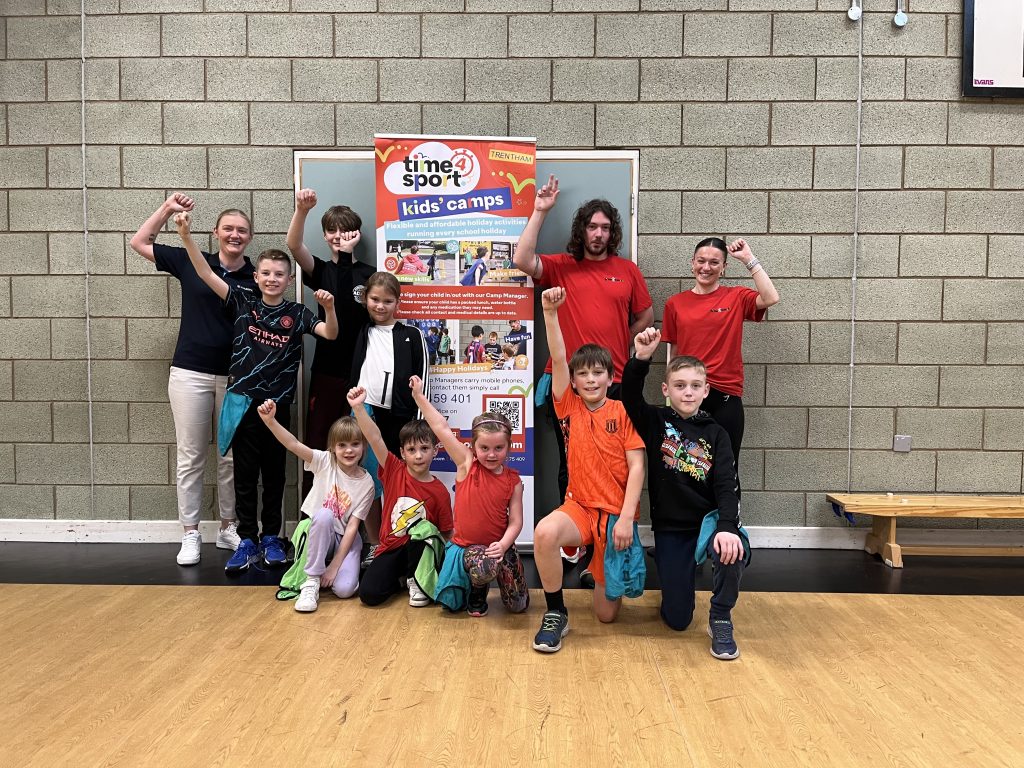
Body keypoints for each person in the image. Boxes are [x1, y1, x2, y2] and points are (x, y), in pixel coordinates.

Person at [173, 212, 338, 573]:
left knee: (276, 476)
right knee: (245, 475)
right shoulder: (242, 303)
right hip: (242, 404)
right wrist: (186, 236)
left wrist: (327, 307)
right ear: (256, 276)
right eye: (266, 273)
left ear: (289, 279)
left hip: (276, 408)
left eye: (279, 274)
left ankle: (271, 538)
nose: (272, 279)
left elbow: (330, 334)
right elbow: (204, 273)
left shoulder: (297, 312)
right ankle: (246, 538)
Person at [130, 193, 256, 566]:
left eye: (242, 231)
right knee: (191, 455)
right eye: (229, 229)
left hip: (236, 375)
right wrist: (168, 209)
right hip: (190, 372)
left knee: (229, 455)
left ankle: (228, 527)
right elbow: (140, 242)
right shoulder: (190, 260)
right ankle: (190, 532)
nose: (235, 235)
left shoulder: (257, 274)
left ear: (249, 237)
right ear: (216, 232)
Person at [512, 175, 653, 503]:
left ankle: (612, 528)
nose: (599, 233)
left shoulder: (627, 270)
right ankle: (574, 537)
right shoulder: (562, 266)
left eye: (605, 227)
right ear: (582, 230)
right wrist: (540, 210)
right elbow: (521, 260)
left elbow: (645, 317)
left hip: (615, 380)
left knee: (615, 460)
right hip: (568, 385)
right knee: (571, 461)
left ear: (612, 232)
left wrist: (622, 339)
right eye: (592, 226)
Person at [530, 287, 645, 654]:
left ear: (611, 378)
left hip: (613, 516)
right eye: (584, 374)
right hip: (579, 507)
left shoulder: (624, 412)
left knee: (606, 615)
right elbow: (560, 358)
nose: (591, 379)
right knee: (545, 532)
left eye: (598, 373)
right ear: (574, 383)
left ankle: (602, 569)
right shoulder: (569, 409)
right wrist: (550, 313)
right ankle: (555, 613)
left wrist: (627, 518)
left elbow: (637, 466)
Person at [622, 328, 746, 660]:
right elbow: (630, 395)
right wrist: (641, 358)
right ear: (666, 390)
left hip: (707, 524)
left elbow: (726, 484)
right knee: (676, 620)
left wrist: (728, 526)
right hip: (671, 529)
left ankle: (720, 615)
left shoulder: (717, 434)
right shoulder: (655, 422)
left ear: (705, 390)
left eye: (694, 386)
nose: (687, 392)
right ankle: (672, 566)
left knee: (733, 549)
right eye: (679, 386)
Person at [661, 237, 779, 482]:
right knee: (689, 467)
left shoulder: (735, 297)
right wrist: (670, 396)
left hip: (725, 395)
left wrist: (748, 259)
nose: (706, 267)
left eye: (714, 262)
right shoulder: (675, 303)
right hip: (688, 396)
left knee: (726, 466)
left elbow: (770, 298)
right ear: (692, 263)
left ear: (724, 267)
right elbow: (672, 350)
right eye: (701, 261)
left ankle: (726, 520)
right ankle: (694, 521)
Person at [410, 377, 528, 617]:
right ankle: (477, 590)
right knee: (484, 567)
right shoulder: (466, 464)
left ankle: (497, 579)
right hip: (469, 549)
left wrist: (504, 545)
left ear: (509, 447)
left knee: (519, 606)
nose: (491, 454)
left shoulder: (513, 481)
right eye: (484, 448)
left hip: (500, 547)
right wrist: (419, 397)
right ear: (473, 447)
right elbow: (441, 428)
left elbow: (515, 521)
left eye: (498, 448)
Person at [286, 188, 375, 500]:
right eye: (332, 230)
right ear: (325, 235)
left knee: (357, 445)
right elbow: (294, 246)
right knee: (319, 443)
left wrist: (349, 258)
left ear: (357, 233)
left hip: (362, 373)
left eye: (345, 230)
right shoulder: (321, 270)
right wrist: (302, 210)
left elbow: (356, 309)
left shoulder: (369, 274)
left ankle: (355, 519)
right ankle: (313, 519)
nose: (339, 236)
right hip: (326, 372)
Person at [258, 402, 375, 613]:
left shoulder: (367, 483)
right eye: (342, 445)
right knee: (323, 515)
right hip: (322, 530)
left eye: (355, 444)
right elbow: (293, 444)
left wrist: (334, 567)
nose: (349, 450)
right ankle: (311, 580)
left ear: (363, 446)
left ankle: (328, 569)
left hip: (345, 539)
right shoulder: (324, 461)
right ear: (333, 448)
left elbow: (352, 528)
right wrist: (270, 422)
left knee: (344, 590)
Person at [348, 386, 454, 607]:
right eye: (412, 449)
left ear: (435, 451)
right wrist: (358, 408)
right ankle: (400, 580)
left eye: (424, 448)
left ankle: (417, 579)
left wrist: (446, 568)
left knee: (422, 530)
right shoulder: (394, 470)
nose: (418, 455)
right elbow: (375, 438)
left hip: (420, 551)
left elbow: (445, 533)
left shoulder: (440, 491)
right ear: (402, 452)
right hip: (392, 547)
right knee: (369, 595)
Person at [350, 271, 429, 562]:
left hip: (400, 417)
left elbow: (422, 377)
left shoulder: (411, 335)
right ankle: (374, 542)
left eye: (387, 301)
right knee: (369, 480)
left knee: (400, 481)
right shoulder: (362, 328)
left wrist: (418, 424)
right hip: (365, 411)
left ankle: (399, 540)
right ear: (366, 299)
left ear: (398, 301)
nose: (380, 306)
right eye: (374, 299)